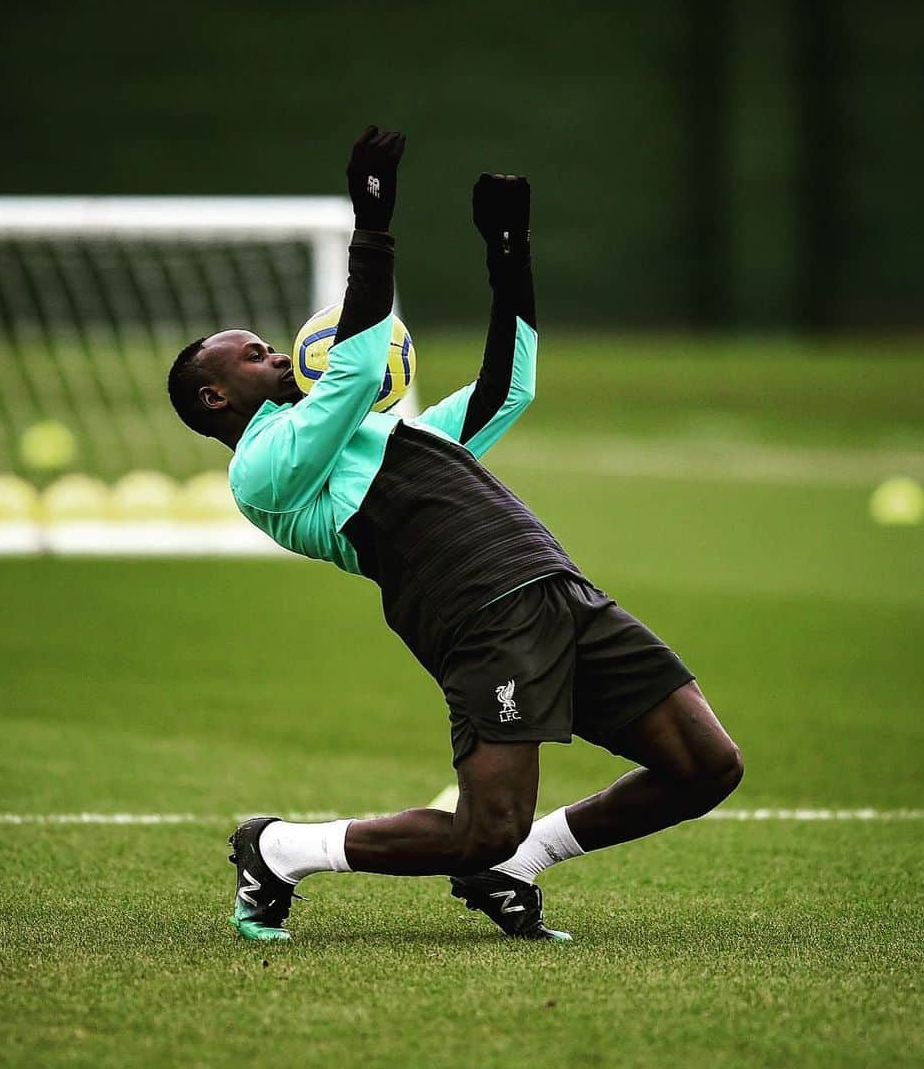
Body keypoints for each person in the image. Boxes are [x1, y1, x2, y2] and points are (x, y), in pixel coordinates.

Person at [167, 126, 743, 942]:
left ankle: (520, 862)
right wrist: (372, 219)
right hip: (478, 613)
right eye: (254, 355)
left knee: (706, 765)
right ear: (218, 400)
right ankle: (280, 847)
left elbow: (507, 390)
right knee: (482, 825)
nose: (274, 353)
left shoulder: (377, 435)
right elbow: (360, 369)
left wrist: (509, 255)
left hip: (555, 588)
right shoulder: (262, 471)